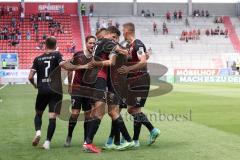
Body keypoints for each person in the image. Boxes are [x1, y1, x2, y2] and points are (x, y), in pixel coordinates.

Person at [29, 37, 91, 150]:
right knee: (52, 117)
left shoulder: (37, 58)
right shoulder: (57, 55)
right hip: (55, 90)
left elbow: (30, 77)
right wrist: (81, 66)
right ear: (55, 44)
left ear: (45, 45)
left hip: (42, 90)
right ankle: (47, 142)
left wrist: (35, 85)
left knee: (38, 114)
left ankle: (38, 132)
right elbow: (66, 66)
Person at [83, 26, 134, 153]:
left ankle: (128, 140)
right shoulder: (106, 41)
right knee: (99, 112)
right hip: (100, 78)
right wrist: (124, 51)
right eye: (114, 37)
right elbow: (119, 55)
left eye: (116, 38)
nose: (115, 40)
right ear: (109, 34)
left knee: (112, 111)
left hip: (102, 79)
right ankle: (88, 142)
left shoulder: (100, 43)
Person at [115, 22, 160, 147]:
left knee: (134, 109)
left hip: (140, 79)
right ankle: (143, 135)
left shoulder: (137, 43)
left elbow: (142, 61)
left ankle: (140, 137)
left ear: (128, 31)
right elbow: (141, 58)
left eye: (123, 31)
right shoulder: (130, 46)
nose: (122, 33)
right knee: (132, 109)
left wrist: (128, 69)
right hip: (134, 80)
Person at [64, 35, 96, 147]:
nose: (92, 45)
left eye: (94, 43)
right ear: (86, 44)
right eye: (90, 43)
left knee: (88, 116)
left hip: (89, 90)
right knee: (75, 114)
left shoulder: (96, 58)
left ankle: (86, 140)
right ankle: (69, 136)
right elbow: (69, 68)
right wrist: (69, 84)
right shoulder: (78, 55)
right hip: (77, 88)